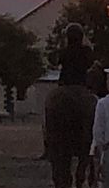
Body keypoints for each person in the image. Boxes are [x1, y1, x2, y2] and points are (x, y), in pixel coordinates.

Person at [41, 23, 96, 159]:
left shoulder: (63, 51)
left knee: (48, 106)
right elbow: (90, 64)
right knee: (96, 110)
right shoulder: (86, 51)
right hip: (81, 87)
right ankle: (93, 145)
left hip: (64, 86)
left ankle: (49, 146)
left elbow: (53, 61)